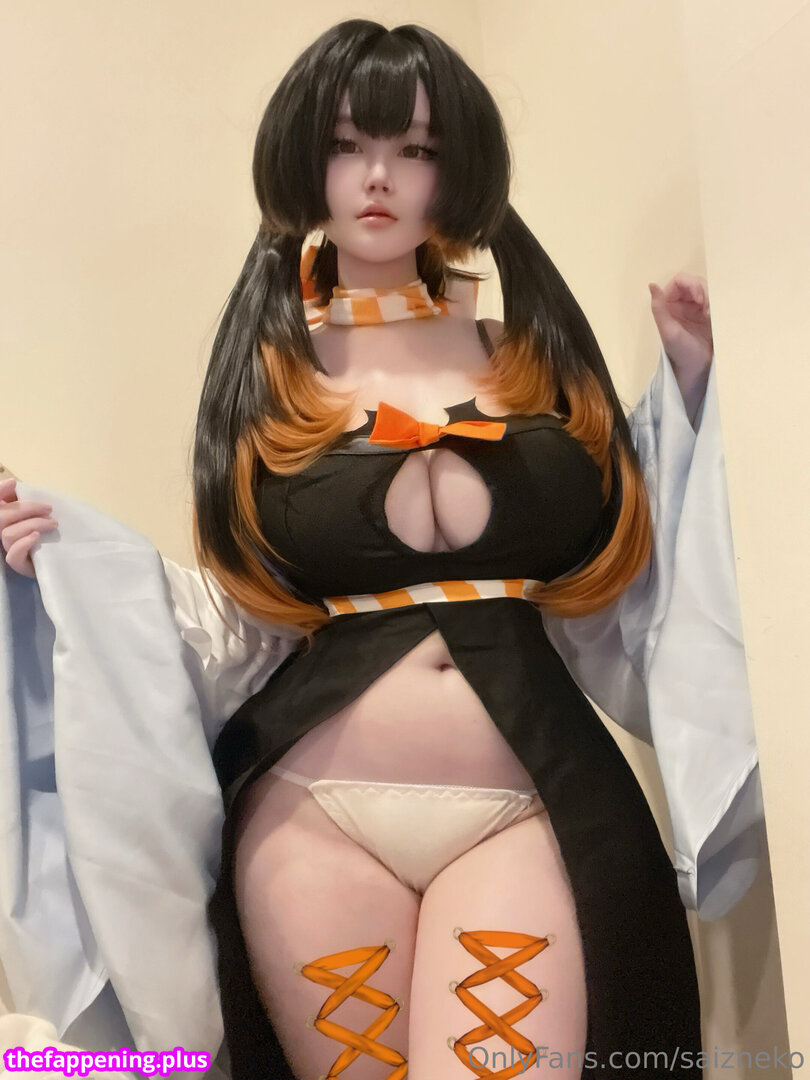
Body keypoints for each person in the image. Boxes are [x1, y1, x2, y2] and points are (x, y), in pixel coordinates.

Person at [1, 18, 761, 1080]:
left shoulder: (530, 360)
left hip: (526, 807)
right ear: (303, 159)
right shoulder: (273, 380)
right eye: (348, 145)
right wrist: (61, 554)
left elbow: (624, 568)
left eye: (416, 148)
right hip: (308, 819)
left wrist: (697, 388)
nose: (378, 176)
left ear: (458, 168)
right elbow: (232, 618)